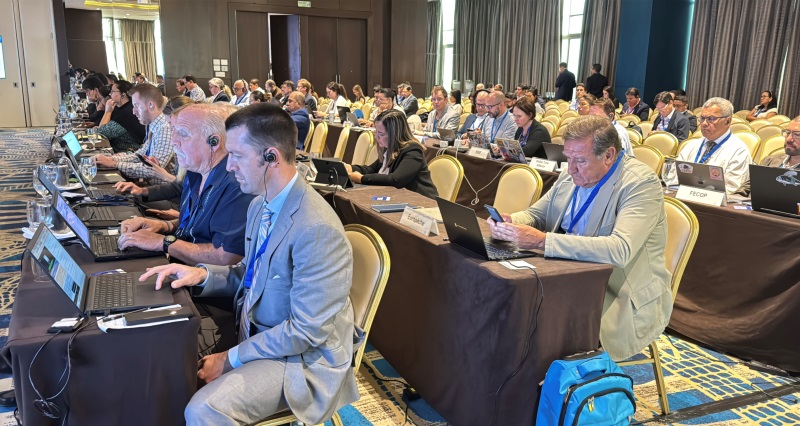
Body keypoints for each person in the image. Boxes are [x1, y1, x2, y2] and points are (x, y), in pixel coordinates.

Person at [139, 103, 360, 425]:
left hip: (300, 358)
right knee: (160, 355)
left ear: (270, 157)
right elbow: (249, 276)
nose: (229, 167)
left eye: (238, 156)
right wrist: (199, 274)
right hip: (258, 331)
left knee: (204, 409)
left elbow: (306, 332)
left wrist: (230, 359)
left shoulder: (317, 229)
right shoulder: (261, 205)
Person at [487, 115, 672, 361]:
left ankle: (542, 387)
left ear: (608, 156)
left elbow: (620, 249)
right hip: (570, 274)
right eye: (568, 158)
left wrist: (543, 241)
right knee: (509, 300)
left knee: (535, 316)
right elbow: (536, 215)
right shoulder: (572, 173)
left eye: (581, 160)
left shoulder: (640, 184)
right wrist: (512, 222)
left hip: (616, 290)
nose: (571, 168)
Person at [117, 103, 255, 265]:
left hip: (199, 280)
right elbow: (194, 226)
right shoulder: (195, 172)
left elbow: (227, 256)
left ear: (214, 142)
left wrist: (162, 242)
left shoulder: (236, 184)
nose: (174, 141)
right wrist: (164, 226)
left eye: (183, 134)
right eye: (173, 131)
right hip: (179, 263)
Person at [114, 96, 196, 210]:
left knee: (127, 200)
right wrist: (142, 191)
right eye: (171, 128)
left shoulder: (195, 153)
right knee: (128, 196)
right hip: (174, 198)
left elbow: (187, 191)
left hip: (178, 204)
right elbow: (179, 186)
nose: (133, 111)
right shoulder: (158, 129)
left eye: (137, 105)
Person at [667, 97, 753, 194]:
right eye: (702, 118)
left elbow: (731, 189)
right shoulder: (692, 145)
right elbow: (673, 176)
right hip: (683, 197)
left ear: (728, 121)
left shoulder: (739, 151)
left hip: (712, 206)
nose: (704, 124)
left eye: (711, 119)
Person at [95, 83, 176, 185]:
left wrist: (115, 164)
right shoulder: (154, 125)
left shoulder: (164, 129)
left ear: (151, 105)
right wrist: (111, 159)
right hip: (151, 188)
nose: (133, 111)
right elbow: (139, 155)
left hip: (162, 193)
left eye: (137, 106)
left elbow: (152, 169)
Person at [345, 109, 438, 198]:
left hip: (422, 204)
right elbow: (371, 169)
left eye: (381, 134)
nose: (377, 137)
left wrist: (362, 178)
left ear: (395, 134)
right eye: (376, 132)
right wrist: (350, 168)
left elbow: (395, 180)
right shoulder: (389, 148)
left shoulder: (413, 151)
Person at [97, 79, 147, 152]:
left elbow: (102, 133)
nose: (110, 94)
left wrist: (107, 111)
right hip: (120, 151)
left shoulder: (126, 112)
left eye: (112, 91)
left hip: (130, 152)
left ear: (123, 95)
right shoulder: (122, 108)